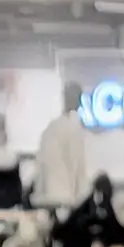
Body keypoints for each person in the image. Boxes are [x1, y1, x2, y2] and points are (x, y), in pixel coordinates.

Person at [32, 78, 91, 214]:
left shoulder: (51, 128)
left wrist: (39, 193)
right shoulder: (75, 128)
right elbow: (78, 167)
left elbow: (41, 165)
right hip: (67, 201)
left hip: (49, 199)